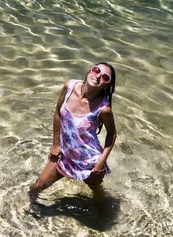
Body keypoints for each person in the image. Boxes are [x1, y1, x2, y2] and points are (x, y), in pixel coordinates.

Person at [29, 63, 117, 202]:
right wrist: (56, 144)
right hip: (64, 154)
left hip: (88, 161)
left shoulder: (104, 109)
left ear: (106, 85)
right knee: (37, 187)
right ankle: (25, 212)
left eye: (105, 77)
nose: (98, 75)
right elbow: (58, 112)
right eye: (96, 70)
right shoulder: (69, 86)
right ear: (89, 71)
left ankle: (103, 217)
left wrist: (100, 162)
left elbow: (112, 134)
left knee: (97, 197)